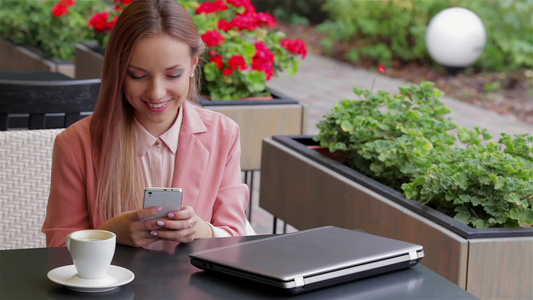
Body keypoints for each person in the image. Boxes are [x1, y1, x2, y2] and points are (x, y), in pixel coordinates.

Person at [42, 0, 249, 248]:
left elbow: (238, 240)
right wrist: (109, 234)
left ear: (194, 64)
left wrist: (203, 230)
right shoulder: (76, 144)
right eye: (137, 75)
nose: (156, 93)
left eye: (173, 75)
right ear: (119, 72)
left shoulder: (223, 134)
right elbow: (57, 250)